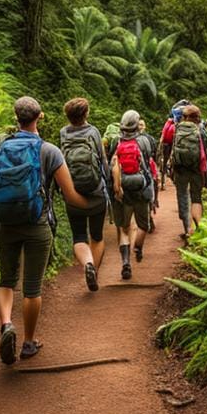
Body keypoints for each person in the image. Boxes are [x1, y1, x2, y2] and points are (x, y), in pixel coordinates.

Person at [0, 96, 90, 364]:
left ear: (15, 117)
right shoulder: (49, 151)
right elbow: (69, 194)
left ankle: (7, 324)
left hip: (6, 222)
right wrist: (91, 205)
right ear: (39, 116)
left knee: (6, 280)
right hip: (37, 224)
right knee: (32, 287)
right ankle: (29, 342)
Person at [58, 98, 109, 292]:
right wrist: (108, 186)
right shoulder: (93, 132)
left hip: (73, 193)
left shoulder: (63, 133)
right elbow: (102, 160)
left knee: (79, 236)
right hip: (96, 192)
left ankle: (86, 263)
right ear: (86, 114)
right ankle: (94, 271)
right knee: (96, 236)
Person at [109, 110, 155, 281]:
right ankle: (138, 248)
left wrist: (114, 188)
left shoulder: (116, 141)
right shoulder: (145, 141)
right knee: (143, 225)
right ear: (137, 124)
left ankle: (125, 262)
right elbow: (149, 162)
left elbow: (111, 165)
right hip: (141, 189)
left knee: (124, 228)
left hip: (122, 191)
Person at [170, 104, 207, 239]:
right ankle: (198, 229)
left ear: (184, 117)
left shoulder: (177, 129)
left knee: (182, 196)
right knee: (196, 197)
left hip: (180, 169)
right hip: (196, 168)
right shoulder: (201, 130)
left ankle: (187, 228)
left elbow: (173, 149)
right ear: (198, 117)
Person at [131, 118, 160, 263]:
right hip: (144, 177)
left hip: (129, 181)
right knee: (146, 200)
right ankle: (139, 240)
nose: (141, 127)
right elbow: (152, 157)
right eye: (139, 125)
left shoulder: (123, 141)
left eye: (142, 124)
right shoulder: (147, 140)